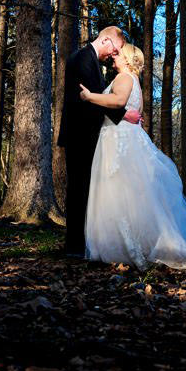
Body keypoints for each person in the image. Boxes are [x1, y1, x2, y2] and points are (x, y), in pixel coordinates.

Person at [79, 42, 186, 270]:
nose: (114, 56)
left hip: (119, 140)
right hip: (127, 137)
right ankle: (129, 243)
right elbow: (134, 113)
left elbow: (118, 103)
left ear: (127, 59)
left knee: (120, 192)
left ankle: (128, 246)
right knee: (133, 195)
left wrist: (89, 97)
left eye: (118, 54)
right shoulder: (135, 82)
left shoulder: (124, 78)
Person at [57, 25, 142, 260]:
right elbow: (92, 100)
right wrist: (125, 114)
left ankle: (82, 244)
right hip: (80, 134)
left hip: (89, 134)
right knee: (78, 190)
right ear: (105, 40)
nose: (114, 55)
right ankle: (74, 247)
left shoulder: (92, 61)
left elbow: (99, 98)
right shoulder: (83, 59)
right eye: (115, 50)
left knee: (85, 189)